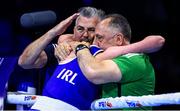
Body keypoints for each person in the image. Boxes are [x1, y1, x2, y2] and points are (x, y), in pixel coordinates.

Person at [18, 7, 164, 110]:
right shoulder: (65, 46)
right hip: (42, 104)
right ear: (73, 29)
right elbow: (24, 62)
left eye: (93, 31)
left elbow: (157, 41)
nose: (85, 35)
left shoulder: (104, 52)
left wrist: (81, 47)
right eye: (80, 29)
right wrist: (54, 32)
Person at [70, 14, 159, 110]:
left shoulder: (133, 60)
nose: (95, 43)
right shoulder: (113, 58)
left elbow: (93, 73)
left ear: (118, 39)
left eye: (99, 38)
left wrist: (80, 48)